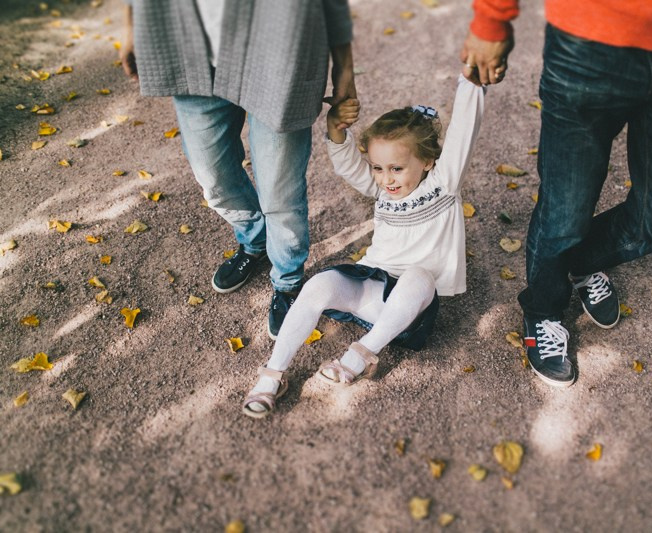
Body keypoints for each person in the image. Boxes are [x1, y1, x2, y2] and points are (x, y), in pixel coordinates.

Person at [462, 0, 652, 387]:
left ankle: (576, 262)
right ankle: (543, 308)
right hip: (589, 41)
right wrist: (492, 18)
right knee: (565, 211)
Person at [242, 74, 486, 418]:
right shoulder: (382, 189)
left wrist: (471, 83)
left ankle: (357, 358)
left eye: (397, 168)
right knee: (320, 283)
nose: (386, 179)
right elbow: (352, 169)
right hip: (369, 292)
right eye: (379, 168)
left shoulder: (442, 184)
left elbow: (463, 132)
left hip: (406, 310)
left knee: (418, 276)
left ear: (428, 162)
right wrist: (338, 132)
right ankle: (272, 375)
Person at [119, 0, 356, 338]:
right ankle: (256, 240)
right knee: (212, 177)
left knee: (280, 192)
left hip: (279, 53)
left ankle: (288, 281)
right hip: (192, 51)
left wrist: (344, 68)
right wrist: (131, 25)